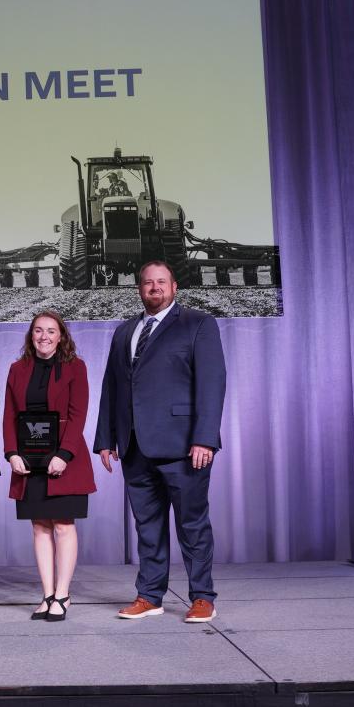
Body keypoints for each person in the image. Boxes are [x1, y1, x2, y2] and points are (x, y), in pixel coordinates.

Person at [94, 260, 226, 622]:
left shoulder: (198, 324)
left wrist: (204, 439)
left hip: (185, 448)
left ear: (174, 287)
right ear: (139, 288)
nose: (154, 288)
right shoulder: (124, 331)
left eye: (161, 282)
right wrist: (106, 438)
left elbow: (212, 384)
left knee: (192, 525)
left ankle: (202, 597)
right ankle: (150, 596)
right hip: (135, 448)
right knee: (148, 528)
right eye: (148, 283)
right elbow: (112, 387)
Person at [3, 311, 95, 622]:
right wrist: (12, 453)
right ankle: (47, 595)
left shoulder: (75, 367)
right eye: (38, 331)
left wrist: (64, 454)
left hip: (63, 458)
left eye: (51, 331)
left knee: (63, 526)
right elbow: (10, 416)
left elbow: (78, 414)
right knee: (40, 526)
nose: (44, 336)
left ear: (61, 336)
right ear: (31, 336)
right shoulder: (17, 369)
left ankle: (63, 595)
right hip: (30, 459)